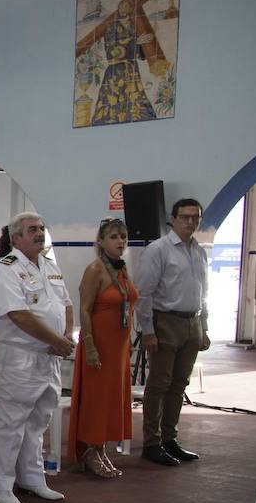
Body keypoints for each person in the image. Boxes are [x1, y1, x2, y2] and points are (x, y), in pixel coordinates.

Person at [0, 212, 74, 503]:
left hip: (48, 356)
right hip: (19, 355)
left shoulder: (49, 266)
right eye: (32, 230)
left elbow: (66, 304)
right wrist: (56, 340)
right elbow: (18, 314)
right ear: (16, 238)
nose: (39, 233)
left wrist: (64, 336)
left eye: (41, 228)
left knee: (39, 420)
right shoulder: (5, 269)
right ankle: (1, 484)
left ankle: (32, 478)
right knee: (10, 421)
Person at [135, 198, 209, 466]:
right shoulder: (159, 250)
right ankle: (151, 443)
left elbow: (204, 292)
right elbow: (143, 293)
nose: (191, 221)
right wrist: (148, 331)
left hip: (193, 323)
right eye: (185, 216)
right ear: (173, 219)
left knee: (179, 385)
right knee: (159, 384)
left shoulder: (198, 251)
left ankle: (169, 439)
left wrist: (205, 327)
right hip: (165, 321)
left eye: (195, 217)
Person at [67, 217, 137, 477]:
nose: (121, 241)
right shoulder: (95, 269)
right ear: (101, 241)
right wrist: (90, 346)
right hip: (99, 344)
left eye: (123, 236)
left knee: (111, 400)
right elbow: (84, 310)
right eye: (114, 237)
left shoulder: (121, 269)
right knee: (96, 400)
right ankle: (89, 450)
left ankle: (101, 448)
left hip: (118, 347)